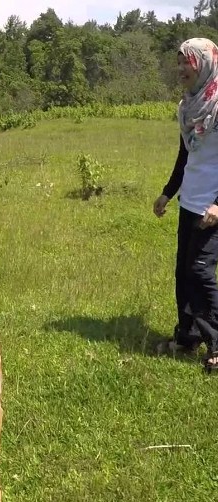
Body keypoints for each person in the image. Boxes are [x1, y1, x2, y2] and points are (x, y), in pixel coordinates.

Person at [154, 37, 218, 373]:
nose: (180, 68)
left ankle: (217, 343)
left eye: (187, 61)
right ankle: (187, 336)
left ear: (205, 63)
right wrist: (168, 192)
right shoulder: (188, 106)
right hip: (190, 202)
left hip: (212, 207)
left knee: (200, 272)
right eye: (178, 61)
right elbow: (185, 155)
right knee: (183, 272)